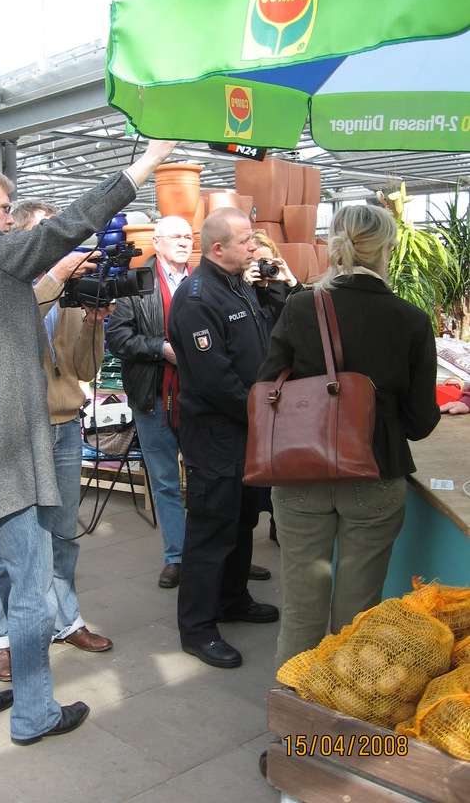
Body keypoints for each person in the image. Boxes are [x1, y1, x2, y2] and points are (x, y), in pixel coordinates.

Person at [0, 138, 176, 744]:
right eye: (4, 207)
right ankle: (34, 713)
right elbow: (76, 220)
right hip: (4, 458)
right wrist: (147, 162)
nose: (8, 217)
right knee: (29, 577)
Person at [257, 204, 441, 672]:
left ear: (333, 244)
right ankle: (340, 725)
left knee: (301, 609)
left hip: (301, 477)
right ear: (388, 249)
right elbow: (420, 422)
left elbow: (264, 387)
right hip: (375, 475)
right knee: (357, 617)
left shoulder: (300, 306)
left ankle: (290, 730)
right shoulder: (412, 320)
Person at [0, 222, 113, 684]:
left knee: (63, 535)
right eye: (44, 237)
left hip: (63, 427)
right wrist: (56, 276)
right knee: (15, 539)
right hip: (18, 429)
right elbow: (13, 320)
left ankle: (65, 619)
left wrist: (95, 326)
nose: (55, 246)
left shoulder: (71, 294)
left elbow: (85, 368)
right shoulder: (8, 287)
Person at [167, 207, 279, 669]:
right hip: (217, 435)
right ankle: (197, 627)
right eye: (246, 240)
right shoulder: (197, 298)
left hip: (245, 431)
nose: (254, 247)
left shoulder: (239, 285)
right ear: (218, 248)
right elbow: (216, 381)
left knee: (242, 519)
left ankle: (233, 600)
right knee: (211, 529)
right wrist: (264, 415)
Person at [105, 215, 192, 589]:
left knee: (207, 478)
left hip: (198, 397)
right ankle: (176, 556)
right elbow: (118, 338)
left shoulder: (203, 280)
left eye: (188, 236)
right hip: (152, 397)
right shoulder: (134, 284)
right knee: (165, 481)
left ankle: (212, 552)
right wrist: (161, 349)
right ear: (156, 242)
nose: (184, 242)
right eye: (175, 236)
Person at [243, 230, 303, 547]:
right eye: (257, 263)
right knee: (258, 462)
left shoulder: (283, 290)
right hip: (254, 387)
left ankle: (280, 526)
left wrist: (290, 280)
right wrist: (247, 282)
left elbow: (306, 319)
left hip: (285, 389)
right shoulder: (241, 292)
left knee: (283, 461)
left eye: (267, 261)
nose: (264, 268)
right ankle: (254, 523)